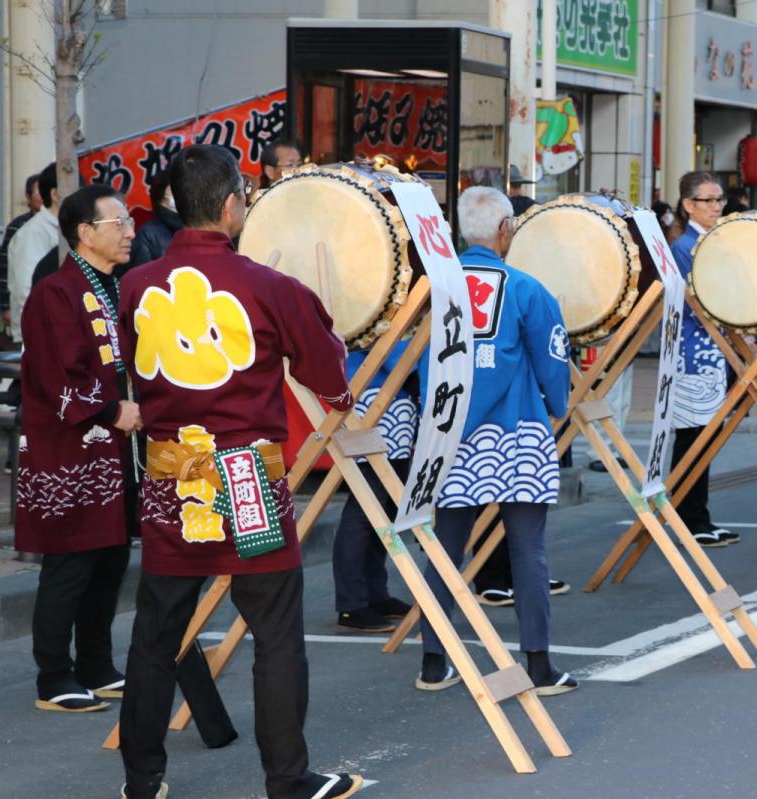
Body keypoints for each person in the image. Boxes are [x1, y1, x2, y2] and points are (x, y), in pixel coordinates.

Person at [117, 144, 362, 799]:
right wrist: (339, 393)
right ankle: (287, 778)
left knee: (155, 632)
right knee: (276, 628)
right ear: (231, 206)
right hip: (245, 474)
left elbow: (135, 367)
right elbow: (325, 366)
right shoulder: (269, 286)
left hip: (173, 474)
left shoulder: (137, 286)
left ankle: (142, 779)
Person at [416, 186, 577, 695]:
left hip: (449, 432)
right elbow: (553, 362)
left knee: (446, 547)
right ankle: (538, 664)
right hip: (516, 430)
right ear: (505, 230)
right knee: (528, 550)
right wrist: (558, 405)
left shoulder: (434, 286)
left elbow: (416, 360)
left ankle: (432, 662)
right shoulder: (527, 288)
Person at [15, 185, 139, 713]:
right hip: (70, 447)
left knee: (110, 557)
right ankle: (53, 676)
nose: (130, 231)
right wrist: (113, 411)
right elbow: (53, 373)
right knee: (71, 560)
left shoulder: (120, 286)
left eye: (129, 220)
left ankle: (95, 663)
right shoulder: (55, 292)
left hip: (114, 446)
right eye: (119, 222)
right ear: (85, 234)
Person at [667, 171, 738, 549]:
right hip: (693, 354)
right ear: (688, 204)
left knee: (704, 439)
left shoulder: (713, 241)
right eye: (707, 200)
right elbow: (697, 305)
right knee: (694, 438)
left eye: (719, 199)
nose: (716, 207)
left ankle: (697, 515)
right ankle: (690, 517)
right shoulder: (685, 247)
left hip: (715, 351)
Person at [332, 344, 416, 632]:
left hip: (396, 401)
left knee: (384, 509)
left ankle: (375, 594)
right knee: (364, 506)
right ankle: (352, 603)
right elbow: (377, 337)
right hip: (372, 397)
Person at [7, 162, 60, 344]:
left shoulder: (62, 229)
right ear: (55, 195)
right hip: (38, 339)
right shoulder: (32, 233)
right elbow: (26, 292)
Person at [126, 171, 183, 275]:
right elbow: (143, 275)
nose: (182, 194)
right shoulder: (148, 233)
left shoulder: (194, 223)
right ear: (162, 199)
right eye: (175, 189)